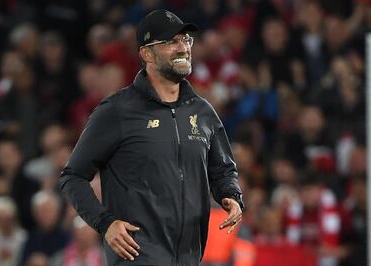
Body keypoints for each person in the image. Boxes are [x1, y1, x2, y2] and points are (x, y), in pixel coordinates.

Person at [60, 9, 245, 266]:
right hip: (137, 258)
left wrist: (232, 196)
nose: (183, 47)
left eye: (186, 40)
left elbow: (224, 170)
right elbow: (73, 176)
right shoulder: (117, 110)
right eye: (171, 42)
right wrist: (105, 223)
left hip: (189, 259)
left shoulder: (202, 112)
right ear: (146, 53)